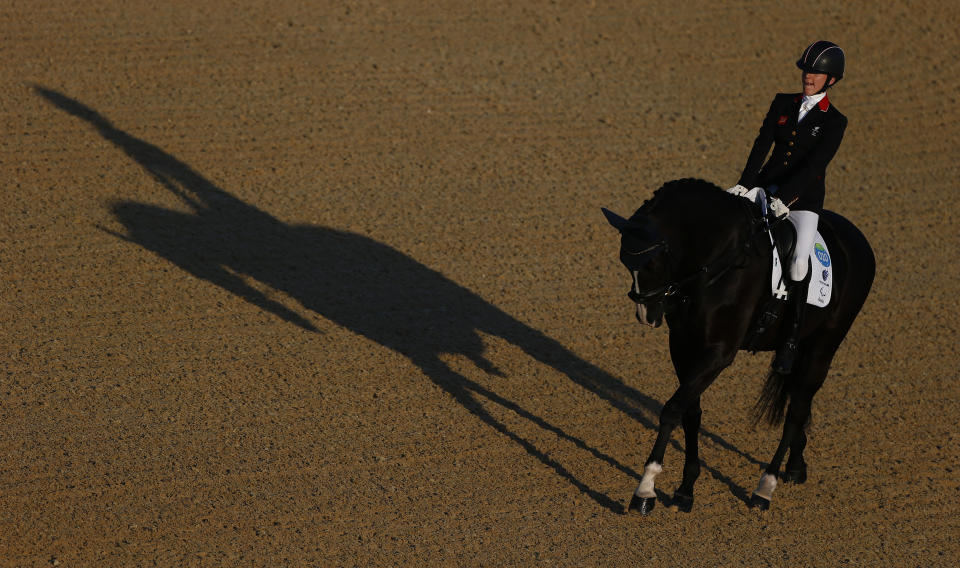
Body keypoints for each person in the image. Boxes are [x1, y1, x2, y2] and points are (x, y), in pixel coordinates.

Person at [726, 40, 847, 374]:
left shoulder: (835, 121)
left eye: (817, 73)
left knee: (797, 264)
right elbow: (762, 144)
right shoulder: (782, 102)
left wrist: (787, 199)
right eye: (807, 70)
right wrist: (746, 183)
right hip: (765, 188)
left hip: (803, 202)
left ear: (831, 80)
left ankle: (790, 338)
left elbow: (814, 166)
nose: (809, 76)